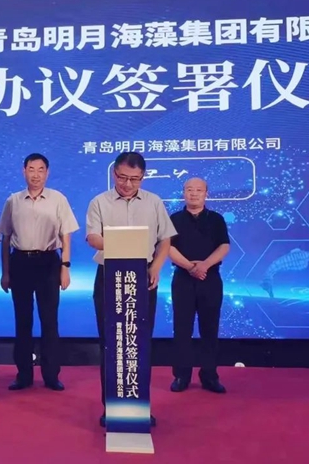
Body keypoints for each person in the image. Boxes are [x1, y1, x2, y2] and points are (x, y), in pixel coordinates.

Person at [86, 151, 177, 428]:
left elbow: (165, 240)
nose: (128, 184)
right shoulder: (99, 201)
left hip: (143, 275)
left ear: (143, 177)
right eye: (123, 177)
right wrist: (124, 243)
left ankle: (139, 406)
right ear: (114, 173)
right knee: (110, 342)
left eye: (135, 179)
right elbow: (93, 238)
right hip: (109, 275)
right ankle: (111, 406)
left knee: (140, 342)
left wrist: (156, 267)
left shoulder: (153, 202)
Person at [0, 153, 79, 391]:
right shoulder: (13, 201)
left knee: (49, 321)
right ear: (24, 171)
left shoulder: (58, 199)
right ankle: (23, 375)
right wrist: (5, 272)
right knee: (22, 321)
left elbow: (66, 235)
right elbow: (5, 238)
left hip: (48, 263)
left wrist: (65, 267)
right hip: (20, 263)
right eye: (31, 169)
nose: (36, 174)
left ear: (47, 172)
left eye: (41, 169)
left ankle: (51, 375)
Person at [168, 177, 229, 394]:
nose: (194, 193)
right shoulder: (173, 219)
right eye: (189, 189)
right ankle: (181, 375)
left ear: (206, 194)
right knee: (182, 328)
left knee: (210, 328)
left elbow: (224, 246)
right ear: (183, 193)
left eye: (199, 190)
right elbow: (168, 247)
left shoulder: (216, 219)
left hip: (210, 278)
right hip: (183, 279)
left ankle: (209, 375)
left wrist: (204, 265)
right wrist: (190, 267)